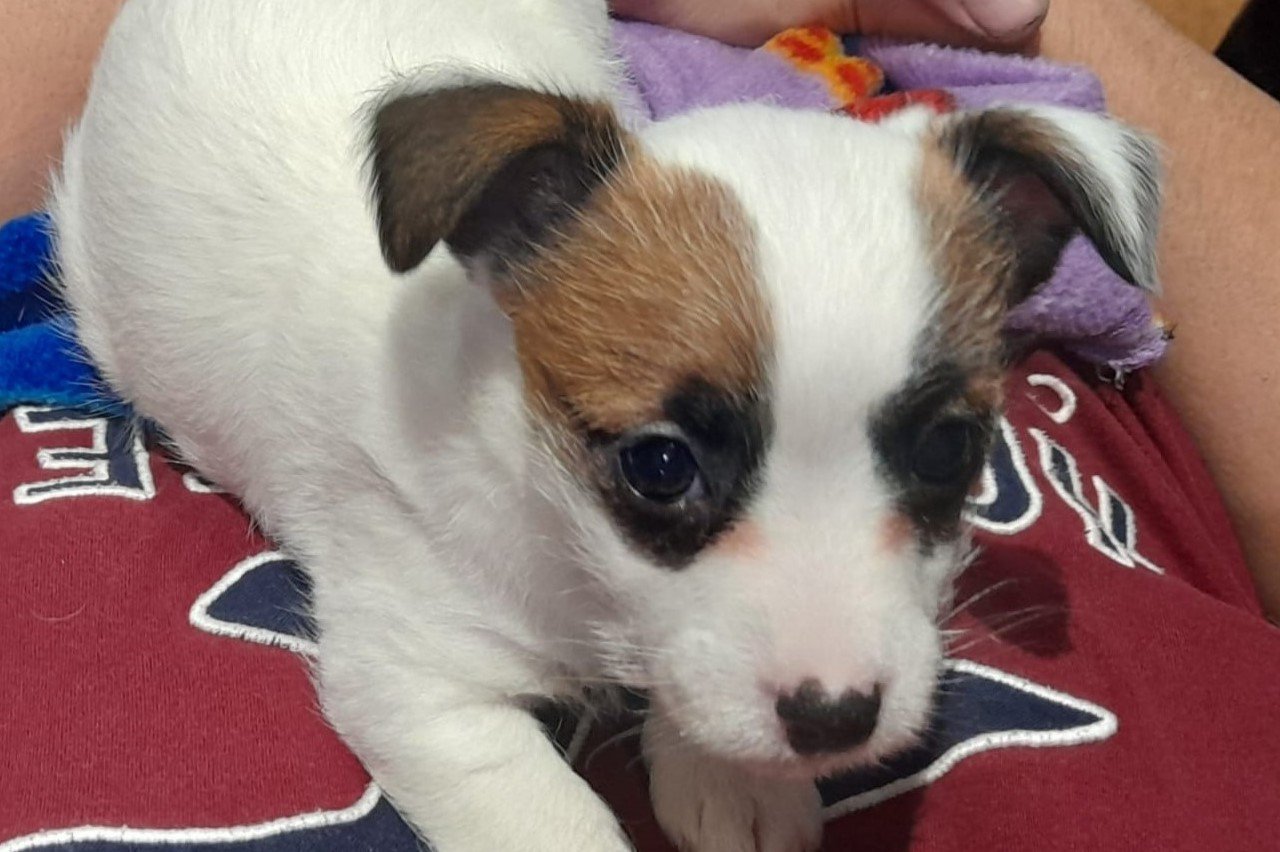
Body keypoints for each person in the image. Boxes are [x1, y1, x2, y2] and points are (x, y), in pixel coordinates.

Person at [1, 2, 1278, 850]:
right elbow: (418, 697)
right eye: (665, 471)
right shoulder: (414, 438)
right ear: (495, 243)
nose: (835, 675)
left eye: (937, 453)